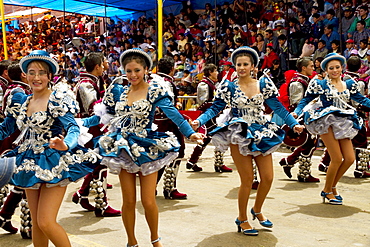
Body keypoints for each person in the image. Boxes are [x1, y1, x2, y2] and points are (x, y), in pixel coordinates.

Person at [191, 46, 304, 236]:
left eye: (245, 64)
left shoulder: (263, 84)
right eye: (238, 65)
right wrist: (198, 121)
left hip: (262, 131)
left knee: (267, 178)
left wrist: (293, 124)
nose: (242, 67)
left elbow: (278, 108)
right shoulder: (228, 86)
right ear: (234, 67)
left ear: (253, 66)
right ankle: (242, 219)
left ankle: (257, 210)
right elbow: (214, 108)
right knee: (247, 180)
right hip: (239, 132)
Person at [98, 48, 204, 247]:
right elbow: (104, 116)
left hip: (148, 148)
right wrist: (76, 127)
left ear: (146, 69)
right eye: (128, 71)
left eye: (137, 70)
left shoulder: (155, 89)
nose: (133, 75)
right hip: (124, 150)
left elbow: (172, 113)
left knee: (148, 201)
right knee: (128, 202)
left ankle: (155, 241)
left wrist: (190, 132)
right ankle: (132, 242)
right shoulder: (120, 90)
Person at [0, 50, 99, 246]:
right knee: (37, 223)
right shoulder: (21, 100)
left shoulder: (57, 99)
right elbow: (5, 128)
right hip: (28, 161)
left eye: (42, 72)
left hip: (54, 160)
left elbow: (71, 127)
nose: (36, 77)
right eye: (32, 72)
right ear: (25, 75)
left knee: (46, 221)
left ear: (49, 76)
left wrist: (66, 144)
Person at [293, 53, 370, 205]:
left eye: (337, 67)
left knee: (349, 158)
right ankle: (327, 189)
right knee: (336, 158)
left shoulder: (349, 83)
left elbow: (361, 99)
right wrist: (297, 112)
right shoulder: (321, 84)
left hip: (344, 121)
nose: (334, 70)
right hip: (325, 121)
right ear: (326, 70)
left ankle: (332, 186)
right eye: (331, 68)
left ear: (342, 68)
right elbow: (307, 99)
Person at [72, 52, 121, 217]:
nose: (107, 63)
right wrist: (112, 100)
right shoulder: (86, 84)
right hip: (90, 128)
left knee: (96, 162)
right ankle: (101, 204)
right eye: (104, 61)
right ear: (97, 66)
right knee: (100, 162)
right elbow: (94, 107)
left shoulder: (95, 80)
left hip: (95, 127)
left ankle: (82, 194)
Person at [0, 62, 33, 239]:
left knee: (22, 181)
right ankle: (28, 226)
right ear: (22, 75)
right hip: (19, 141)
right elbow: (19, 122)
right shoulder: (19, 92)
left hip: (15, 140)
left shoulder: (13, 89)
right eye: (30, 72)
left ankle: (4, 214)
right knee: (28, 180)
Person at [279, 57, 320, 182]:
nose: (313, 68)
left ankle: (289, 162)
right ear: (303, 68)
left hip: (308, 116)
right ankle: (302, 172)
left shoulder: (305, 80)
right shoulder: (297, 82)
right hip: (302, 117)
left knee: (310, 143)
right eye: (311, 66)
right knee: (310, 142)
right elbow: (297, 104)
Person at [186, 63, 233, 173]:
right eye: (215, 71)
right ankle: (195, 161)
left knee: (217, 137)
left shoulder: (212, 83)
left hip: (214, 115)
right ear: (210, 72)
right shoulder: (204, 84)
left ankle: (194, 162)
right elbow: (203, 102)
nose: (217, 73)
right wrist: (217, 106)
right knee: (209, 137)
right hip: (209, 115)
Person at [153, 56, 188, 199]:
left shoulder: (151, 81)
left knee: (156, 156)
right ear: (172, 69)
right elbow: (169, 109)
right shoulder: (167, 83)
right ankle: (169, 188)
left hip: (153, 123)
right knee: (177, 153)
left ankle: (151, 187)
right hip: (168, 124)